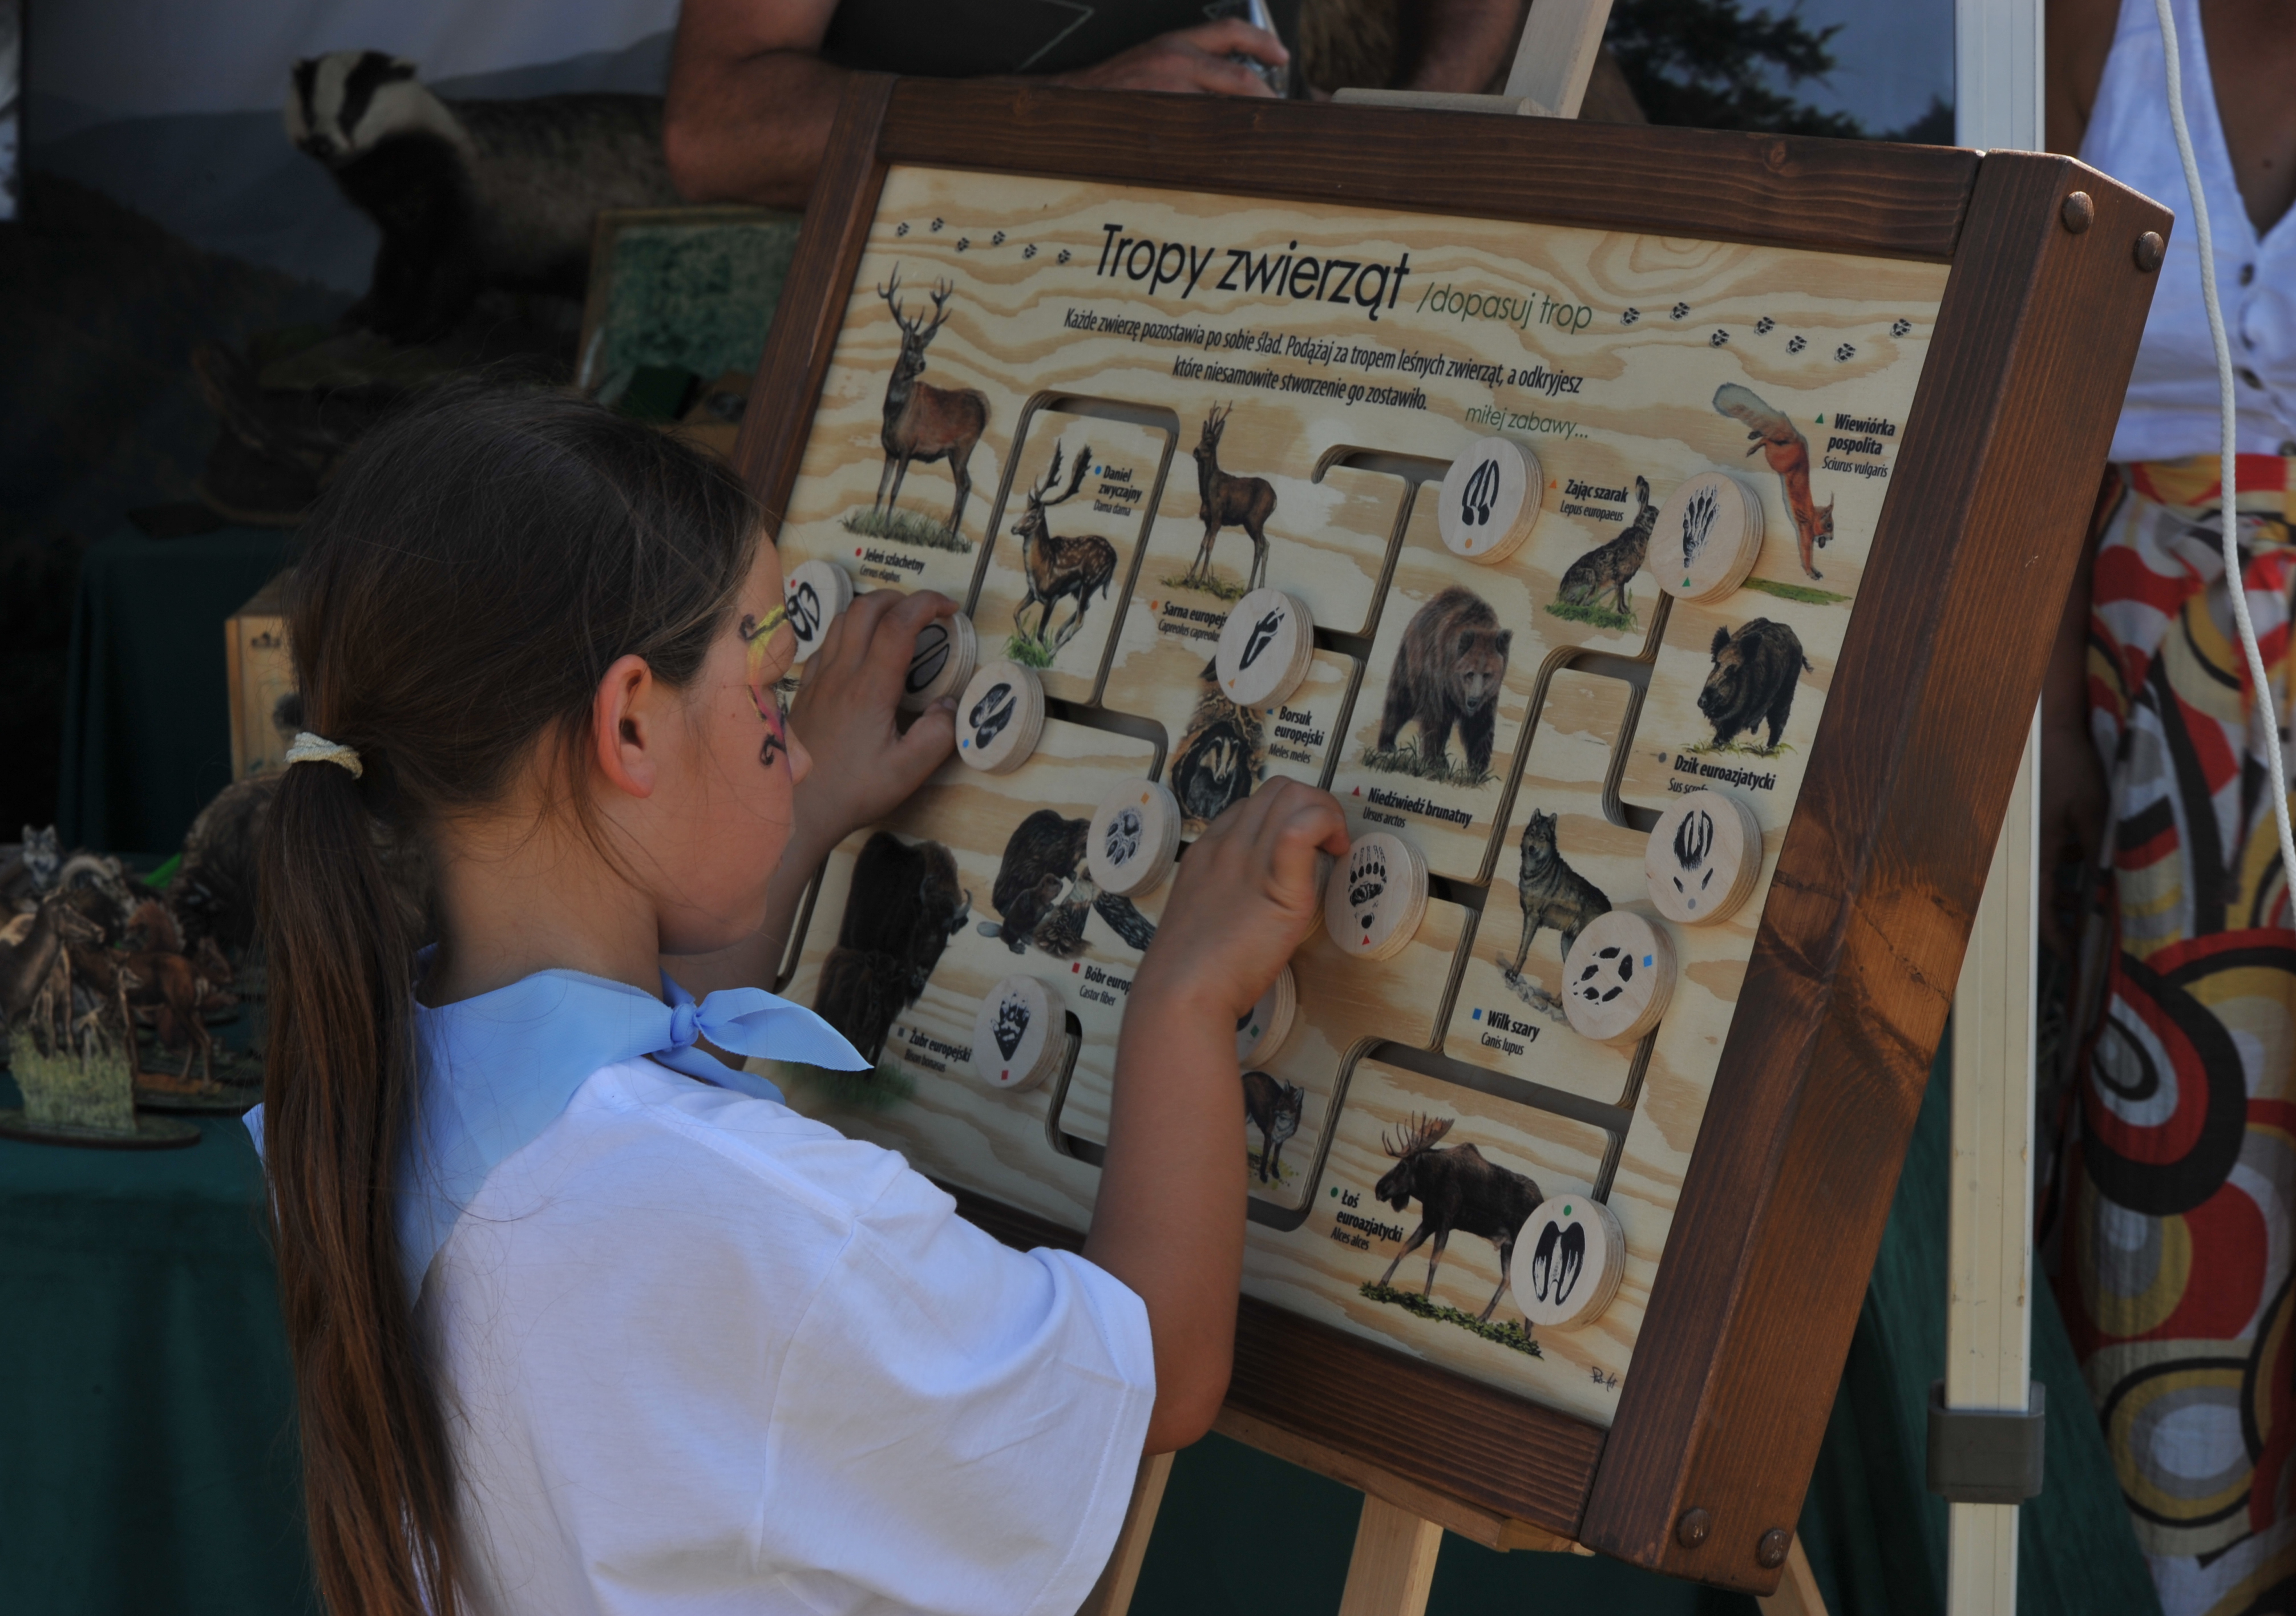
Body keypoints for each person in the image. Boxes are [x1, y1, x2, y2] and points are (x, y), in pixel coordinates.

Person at [252, 383, 1348, 1616]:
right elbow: (1156, 1369)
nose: (803, 740)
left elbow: (620, 1121)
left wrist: (799, 813)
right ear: (629, 725)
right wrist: (1186, 998)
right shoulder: (768, 1223)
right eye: (772, 689)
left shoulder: (377, 1084)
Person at [2041, 1, 2296, 1608]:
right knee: (2170, 1222)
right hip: (2154, 746)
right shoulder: (2092, 23)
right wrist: (2041, 711)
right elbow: (2030, 367)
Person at [663, 0, 1527, 208]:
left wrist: (1407, 119)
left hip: (1275, 277)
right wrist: (1066, 112)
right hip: (985, 295)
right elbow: (716, 130)